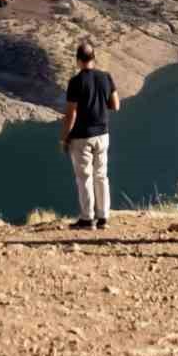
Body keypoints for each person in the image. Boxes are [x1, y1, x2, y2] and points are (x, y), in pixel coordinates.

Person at [61, 41, 119, 230]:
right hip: (102, 135)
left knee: (84, 177)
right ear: (94, 58)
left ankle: (87, 219)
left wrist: (64, 138)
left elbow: (71, 114)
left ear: (78, 61)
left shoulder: (75, 82)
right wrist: (102, 103)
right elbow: (116, 105)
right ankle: (103, 217)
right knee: (101, 175)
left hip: (81, 137)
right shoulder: (106, 77)